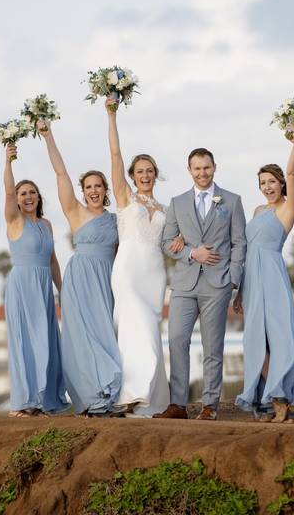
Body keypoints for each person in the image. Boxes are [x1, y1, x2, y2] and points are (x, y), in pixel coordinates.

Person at [155, 148, 247, 421]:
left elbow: (239, 242)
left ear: (214, 167)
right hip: (184, 283)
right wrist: (192, 253)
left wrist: (233, 278)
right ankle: (178, 405)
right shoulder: (178, 202)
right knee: (177, 340)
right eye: (197, 169)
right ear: (189, 170)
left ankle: (209, 405)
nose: (202, 173)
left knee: (212, 346)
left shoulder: (231, 201)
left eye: (206, 168)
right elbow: (166, 243)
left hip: (217, 284)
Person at [38, 120, 122, 416]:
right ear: (83, 191)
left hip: (106, 279)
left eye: (99, 186)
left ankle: (109, 391)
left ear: (105, 190)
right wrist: (48, 137)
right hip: (80, 279)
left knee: (105, 334)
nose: (94, 191)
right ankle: (91, 397)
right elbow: (61, 173)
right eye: (88, 187)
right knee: (80, 336)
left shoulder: (116, 220)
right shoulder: (76, 211)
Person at [103, 97, 177, 416]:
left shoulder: (166, 210)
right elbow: (115, 155)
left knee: (149, 329)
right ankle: (134, 392)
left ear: (155, 174)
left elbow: (175, 241)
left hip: (155, 274)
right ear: (132, 176)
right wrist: (112, 115)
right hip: (128, 271)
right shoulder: (124, 197)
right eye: (140, 171)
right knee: (137, 327)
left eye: (149, 171)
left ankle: (150, 401)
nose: (144, 175)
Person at [234, 122, 294, 423]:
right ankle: (271, 399)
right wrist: (238, 291)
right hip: (252, 280)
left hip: (273, 277)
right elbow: (247, 250)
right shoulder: (258, 211)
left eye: (272, 181)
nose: (267, 186)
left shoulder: (289, 207)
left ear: (280, 183)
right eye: (262, 182)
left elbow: (293, 173)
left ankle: (281, 400)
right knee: (255, 343)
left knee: (280, 339)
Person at [1, 143, 68, 417]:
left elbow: (52, 260)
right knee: (25, 342)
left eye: (32, 192)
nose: (28, 196)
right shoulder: (14, 220)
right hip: (22, 286)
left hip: (43, 287)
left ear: (39, 197)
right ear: (17, 199)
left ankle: (45, 399)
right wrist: (8, 161)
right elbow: (7, 190)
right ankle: (26, 401)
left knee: (47, 341)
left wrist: (63, 290)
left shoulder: (47, 225)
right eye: (23, 193)